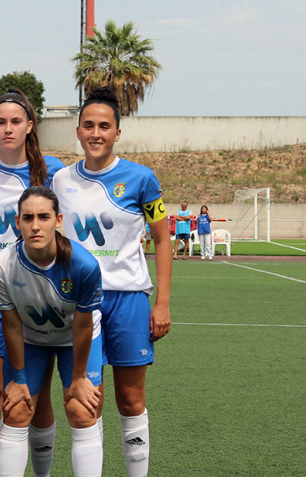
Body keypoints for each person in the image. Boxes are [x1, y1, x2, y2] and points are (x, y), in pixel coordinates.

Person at [51, 86, 172, 477]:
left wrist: (162, 302)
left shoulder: (142, 179)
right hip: (79, 304)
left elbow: (163, 238)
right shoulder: (60, 180)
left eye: (105, 126)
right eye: (89, 125)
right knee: (85, 401)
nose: (96, 133)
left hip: (129, 300)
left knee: (131, 398)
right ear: (78, 130)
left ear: (118, 132)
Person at [0, 87, 66, 475]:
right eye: (0, 122)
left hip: (40, 295)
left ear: (30, 126)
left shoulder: (54, 170)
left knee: (38, 398)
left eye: (15, 122)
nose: (7, 129)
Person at [0, 186, 104, 477]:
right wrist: (19, 378)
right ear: (17, 222)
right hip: (30, 338)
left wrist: (78, 379)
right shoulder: (1, 266)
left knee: (81, 409)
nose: (35, 225)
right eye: (28, 218)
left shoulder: (84, 265)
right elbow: (11, 324)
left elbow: (82, 324)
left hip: (74, 340)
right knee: (16, 410)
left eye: (44, 217)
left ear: (58, 220)